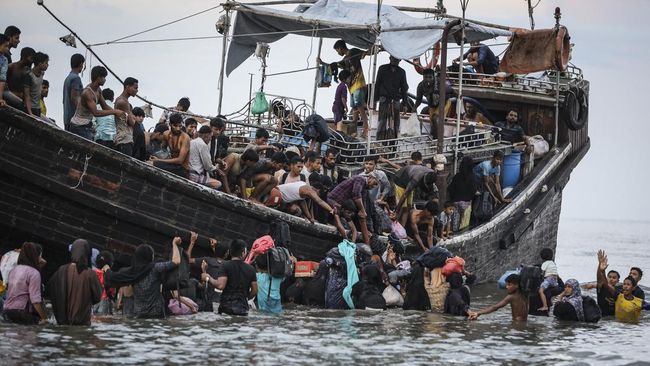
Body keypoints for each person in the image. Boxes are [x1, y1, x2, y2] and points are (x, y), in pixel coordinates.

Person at [105, 237, 182, 318]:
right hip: (156, 312)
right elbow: (176, 261)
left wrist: (106, 268)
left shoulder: (131, 272)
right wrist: (174, 244)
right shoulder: (155, 268)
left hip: (139, 313)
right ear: (150, 256)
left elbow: (112, 277)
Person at [319, 40, 369, 138]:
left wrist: (378, 49)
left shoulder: (353, 52)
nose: (338, 53)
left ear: (340, 48)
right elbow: (335, 65)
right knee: (354, 107)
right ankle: (354, 127)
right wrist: (323, 63)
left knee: (359, 105)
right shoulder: (345, 59)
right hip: (351, 86)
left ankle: (366, 126)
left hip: (358, 83)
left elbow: (365, 53)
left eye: (337, 50)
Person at [47, 239, 102, 325]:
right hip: (82, 323)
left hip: (61, 322)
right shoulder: (90, 274)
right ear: (87, 253)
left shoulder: (61, 270)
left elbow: (50, 290)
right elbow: (98, 297)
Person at [201, 239, 257, 316]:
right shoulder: (251, 269)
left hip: (226, 307)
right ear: (243, 253)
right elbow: (255, 290)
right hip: (242, 309)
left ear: (230, 252)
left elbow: (221, 285)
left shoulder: (225, 265)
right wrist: (244, 298)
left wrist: (208, 277)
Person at [69, 66, 125, 140]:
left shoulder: (98, 90)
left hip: (86, 124)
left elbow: (104, 106)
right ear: (98, 78)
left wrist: (117, 114)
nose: (105, 80)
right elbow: (96, 113)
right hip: (78, 125)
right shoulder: (88, 93)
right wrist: (115, 111)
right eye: (104, 77)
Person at [2, 242, 48, 325]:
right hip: (22, 313)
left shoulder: (13, 270)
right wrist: (44, 318)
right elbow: (35, 300)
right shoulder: (34, 273)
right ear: (36, 256)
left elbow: (42, 263)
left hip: (7, 311)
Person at [327, 174, 379, 244]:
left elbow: (363, 203)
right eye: (374, 183)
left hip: (343, 205)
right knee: (340, 221)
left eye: (374, 186)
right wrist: (346, 239)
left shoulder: (364, 188)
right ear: (370, 178)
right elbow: (356, 195)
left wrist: (352, 243)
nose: (372, 187)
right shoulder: (360, 179)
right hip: (334, 201)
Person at [270, 179, 335, 223]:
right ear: (317, 190)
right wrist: (331, 210)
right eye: (317, 195)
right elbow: (320, 201)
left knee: (296, 209)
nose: (315, 196)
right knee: (275, 203)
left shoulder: (304, 187)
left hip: (283, 201)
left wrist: (310, 218)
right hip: (276, 194)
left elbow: (303, 203)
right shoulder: (309, 190)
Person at [375, 56, 409, 139]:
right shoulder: (382, 69)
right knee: (382, 121)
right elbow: (377, 85)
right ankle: (380, 139)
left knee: (396, 121)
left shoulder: (401, 72)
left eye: (397, 59)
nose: (395, 61)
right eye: (393, 59)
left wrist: (405, 104)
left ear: (399, 60)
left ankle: (393, 140)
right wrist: (375, 99)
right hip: (384, 98)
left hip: (395, 99)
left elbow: (404, 89)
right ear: (390, 58)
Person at [151, 113, 191, 178]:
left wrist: (158, 160)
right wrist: (154, 156)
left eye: (180, 126)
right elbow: (162, 150)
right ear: (170, 124)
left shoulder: (185, 138)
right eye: (175, 126)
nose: (178, 128)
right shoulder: (166, 134)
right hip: (170, 164)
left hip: (182, 169)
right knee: (149, 161)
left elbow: (180, 160)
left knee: (153, 164)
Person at [447, 156, 477, 232]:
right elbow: (474, 190)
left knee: (454, 225)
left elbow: (450, 189)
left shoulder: (457, 176)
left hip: (455, 203)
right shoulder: (473, 177)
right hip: (466, 204)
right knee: (464, 226)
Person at [113, 77, 138, 156]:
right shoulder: (123, 102)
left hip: (123, 138)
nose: (137, 90)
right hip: (124, 139)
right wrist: (134, 119)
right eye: (135, 88)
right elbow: (132, 122)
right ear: (127, 87)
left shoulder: (123, 100)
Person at [63, 53, 85, 130]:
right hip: (74, 120)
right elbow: (74, 98)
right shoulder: (76, 78)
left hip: (67, 117)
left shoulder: (68, 78)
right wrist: (82, 115)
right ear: (81, 64)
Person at [23, 52, 48, 117]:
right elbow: (26, 95)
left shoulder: (42, 73)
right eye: (46, 63)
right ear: (40, 63)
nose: (47, 65)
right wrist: (30, 112)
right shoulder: (29, 76)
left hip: (38, 107)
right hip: (30, 108)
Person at [92, 251, 115, 315]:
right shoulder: (109, 274)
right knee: (104, 320)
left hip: (94, 300)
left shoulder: (93, 273)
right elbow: (112, 290)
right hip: (105, 300)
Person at [538, 247, 559, 311]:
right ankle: (550, 303)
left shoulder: (545, 263)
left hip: (549, 279)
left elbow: (542, 272)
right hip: (555, 280)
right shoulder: (553, 263)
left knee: (541, 291)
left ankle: (545, 306)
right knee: (549, 291)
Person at [0, 35, 10, 108]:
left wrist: (0, 98)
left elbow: (2, 80)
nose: (7, 49)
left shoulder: (4, 60)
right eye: (5, 46)